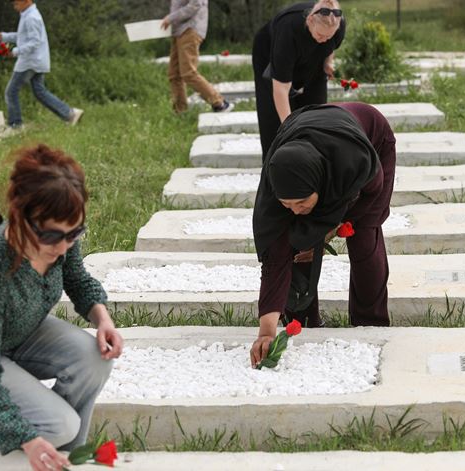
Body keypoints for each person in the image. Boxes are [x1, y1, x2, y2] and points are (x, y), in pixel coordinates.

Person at [0, 144, 124, 471]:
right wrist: (25, 436)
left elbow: (76, 278)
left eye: (74, 233)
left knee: (93, 358)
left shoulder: (61, 232)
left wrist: (102, 318)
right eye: (51, 237)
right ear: (23, 221)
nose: (62, 247)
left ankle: (64, 455)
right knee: (58, 424)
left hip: (18, 333)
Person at [249, 102, 396, 368]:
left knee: (363, 235)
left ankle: (371, 322)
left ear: (319, 185)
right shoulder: (276, 184)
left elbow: (373, 193)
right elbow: (275, 258)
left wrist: (330, 230)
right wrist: (266, 331)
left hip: (371, 140)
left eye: (302, 202)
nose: (295, 210)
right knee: (296, 243)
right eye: (287, 205)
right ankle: (303, 323)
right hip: (310, 142)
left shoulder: (356, 162)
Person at [252, 0, 346, 158]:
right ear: (310, 20)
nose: (325, 39)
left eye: (329, 36)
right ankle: (276, 164)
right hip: (269, 53)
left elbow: (330, 46)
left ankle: (314, 161)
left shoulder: (337, 26)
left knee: (315, 110)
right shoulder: (287, 30)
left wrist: (328, 62)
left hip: (313, 55)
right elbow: (281, 89)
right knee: (274, 118)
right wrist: (290, 129)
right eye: (321, 35)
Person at [0, 0, 83, 129]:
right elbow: (23, 36)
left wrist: (15, 51)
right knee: (40, 92)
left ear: (27, 1)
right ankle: (70, 114)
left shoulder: (31, 17)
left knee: (11, 92)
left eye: (16, 3)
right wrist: (4, 36)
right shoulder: (28, 14)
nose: (14, 6)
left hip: (30, 62)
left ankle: (15, 125)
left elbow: (34, 41)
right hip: (37, 60)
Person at [161, 0, 234, 114]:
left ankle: (219, 103)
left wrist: (171, 18)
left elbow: (195, 4)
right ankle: (180, 112)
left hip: (190, 30)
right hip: (178, 32)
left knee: (188, 73)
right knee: (174, 74)